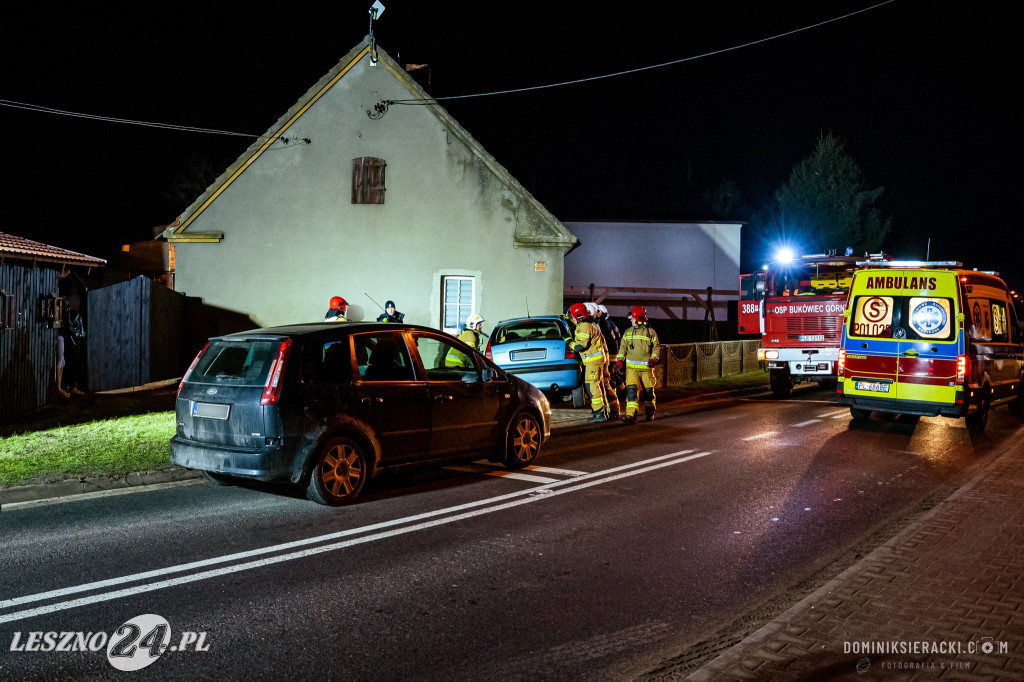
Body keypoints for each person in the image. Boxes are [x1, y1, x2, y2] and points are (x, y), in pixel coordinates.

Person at [616, 305, 660, 424]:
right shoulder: (628, 332)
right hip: (631, 369)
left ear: (638, 319)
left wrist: (653, 359)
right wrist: (620, 360)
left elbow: (656, 348)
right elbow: (622, 348)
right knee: (631, 392)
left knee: (649, 392)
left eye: (632, 318)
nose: (631, 320)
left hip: (646, 369)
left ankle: (650, 412)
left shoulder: (651, 333)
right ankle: (631, 415)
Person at [570, 302, 608, 423]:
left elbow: (580, 346)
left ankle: (599, 414)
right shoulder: (590, 323)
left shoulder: (586, 326)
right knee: (597, 386)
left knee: (592, 386)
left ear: (579, 316)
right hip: (595, 361)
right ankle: (603, 412)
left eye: (573, 316)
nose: (573, 318)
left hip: (593, 362)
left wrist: (569, 342)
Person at [585, 302, 618, 419]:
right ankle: (611, 410)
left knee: (602, 384)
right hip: (604, 357)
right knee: (605, 384)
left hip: (599, 360)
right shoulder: (598, 324)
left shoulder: (596, 324)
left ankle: (606, 411)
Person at [61, 304, 87, 395]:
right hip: (73, 340)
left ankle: (69, 385)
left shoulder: (72, 314)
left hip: (73, 340)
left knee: (71, 363)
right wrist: (79, 337)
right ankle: (71, 386)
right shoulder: (73, 314)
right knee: (73, 363)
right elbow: (73, 328)